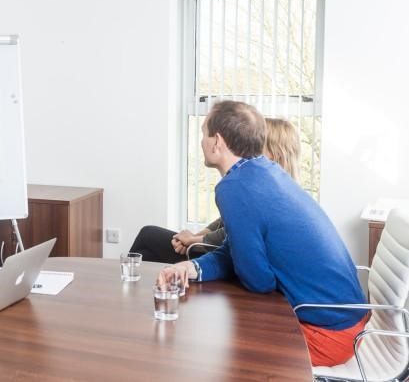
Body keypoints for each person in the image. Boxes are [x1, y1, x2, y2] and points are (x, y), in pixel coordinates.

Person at [156, 100, 368, 367]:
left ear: (217, 142)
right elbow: (236, 253)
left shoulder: (235, 188)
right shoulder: (264, 172)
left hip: (329, 334)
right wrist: (191, 267)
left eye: (203, 134)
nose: (201, 142)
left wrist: (250, 265)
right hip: (349, 320)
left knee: (212, 347)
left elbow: (259, 282)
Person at [131, 117, 301, 263]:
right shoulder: (277, 186)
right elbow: (226, 221)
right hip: (222, 251)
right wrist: (193, 238)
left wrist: (193, 240)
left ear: (273, 152)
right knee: (146, 255)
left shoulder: (270, 191)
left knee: (148, 235)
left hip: (229, 261)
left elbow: (235, 231)